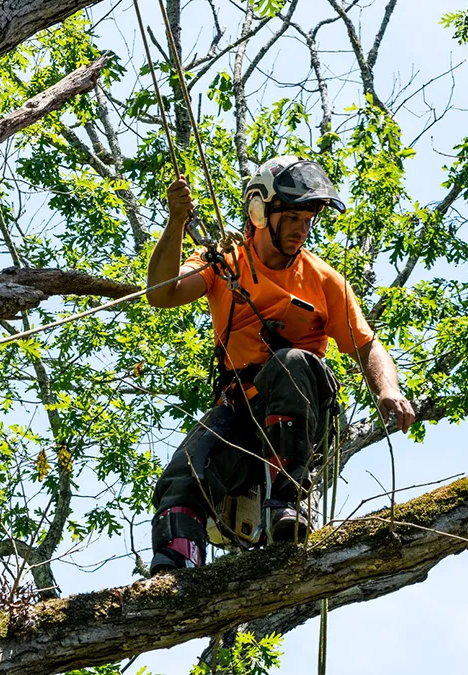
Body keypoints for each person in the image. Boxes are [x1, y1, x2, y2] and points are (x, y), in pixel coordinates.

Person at [146, 156, 415, 574]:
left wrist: (388, 389)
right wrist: (177, 221)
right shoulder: (224, 260)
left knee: (288, 363)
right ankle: (176, 567)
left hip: (297, 420)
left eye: (308, 218)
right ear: (258, 211)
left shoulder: (324, 280)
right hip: (241, 414)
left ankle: (288, 501)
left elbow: (368, 346)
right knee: (185, 473)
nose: (302, 228)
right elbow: (163, 293)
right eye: (292, 216)